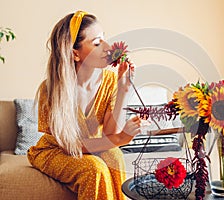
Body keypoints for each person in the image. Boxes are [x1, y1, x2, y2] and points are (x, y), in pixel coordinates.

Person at [27, 11, 141, 200]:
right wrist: (120, 139)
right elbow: (71, 147)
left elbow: (110, 132)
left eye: (105, 39)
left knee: (115, 157)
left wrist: (123, 90)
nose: (107, 47)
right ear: (75, 54)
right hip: (56, 151)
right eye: (97, 43)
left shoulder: (110, 81)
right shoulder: (52, 89)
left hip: (92, 145)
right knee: (94, 169)